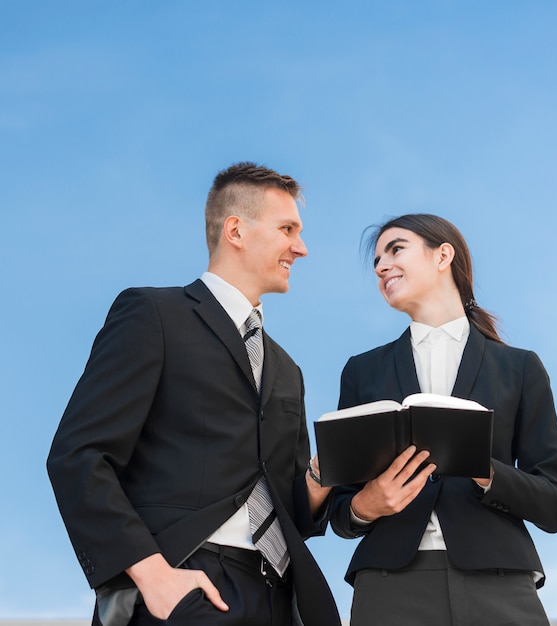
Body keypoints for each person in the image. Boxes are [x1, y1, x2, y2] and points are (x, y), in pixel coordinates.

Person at [47, 162, 341, 626]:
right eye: (288, 229)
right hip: (187, 583)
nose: (300, 248)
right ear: (236, 230)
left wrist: (328, 475)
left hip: (280, 598)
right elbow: (78, 456)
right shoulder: (153, 314)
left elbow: (290, 508)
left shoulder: (288, 369)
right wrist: (152, 575)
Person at [330, 213, 557, 626]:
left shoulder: (520, 368)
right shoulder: (361, 371)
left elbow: (556, 505)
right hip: (389, 583)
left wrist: (486, 472)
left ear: (443, 255)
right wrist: (366, 505)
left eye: (395, 249)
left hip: (498, 579)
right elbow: (339, 510)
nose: (382, 267)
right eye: (376, 263)